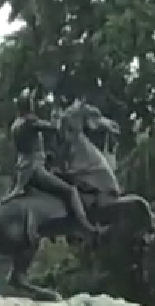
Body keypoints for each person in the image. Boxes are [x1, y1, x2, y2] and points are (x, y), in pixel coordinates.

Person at [9, 92, 99, 238]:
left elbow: (28, 148)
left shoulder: (15, 124)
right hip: (35, 169)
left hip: (22, 170)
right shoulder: (29, 122)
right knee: (70, 191)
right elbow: (53, 129)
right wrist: (58, 117)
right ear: (29, 106)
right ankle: (87, 227)